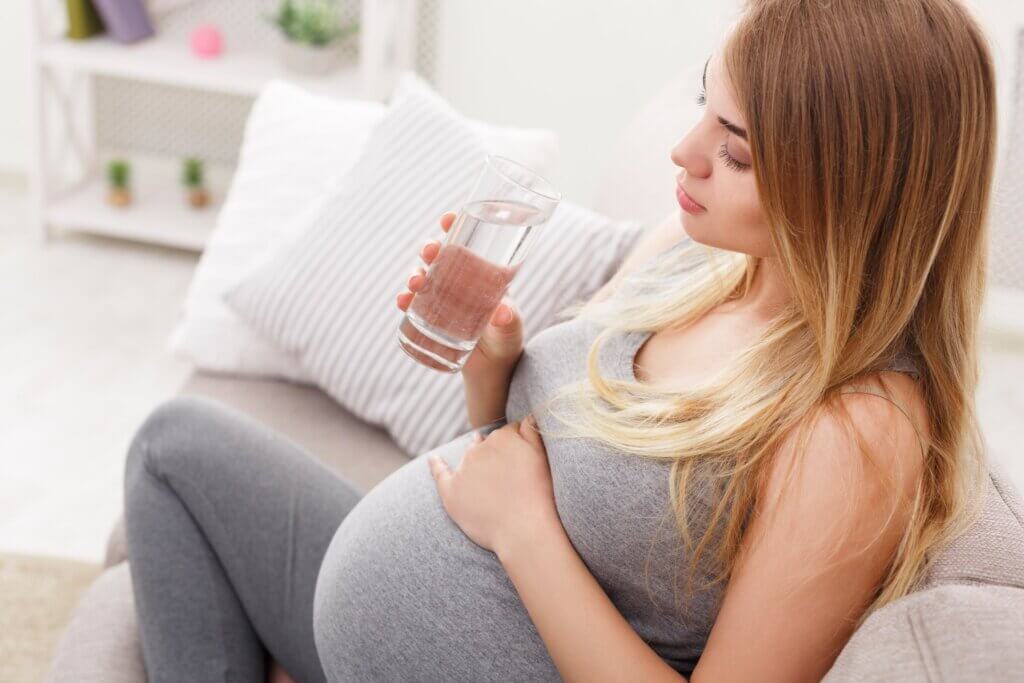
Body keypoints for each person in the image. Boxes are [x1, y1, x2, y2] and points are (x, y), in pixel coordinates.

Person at [123, 0, 997, 680]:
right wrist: (492, 357)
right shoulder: (693, 255)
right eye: (705, 106)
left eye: (735, 152)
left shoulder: (856, 429)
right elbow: (509, 440)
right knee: (173, 447)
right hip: (401, 612)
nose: (685, 154)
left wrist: (525, 533)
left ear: (850, 188)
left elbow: (524, 501)